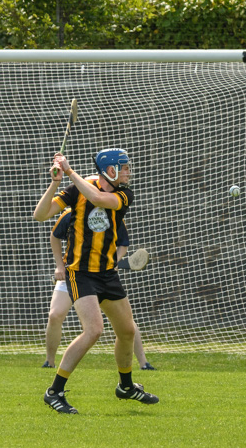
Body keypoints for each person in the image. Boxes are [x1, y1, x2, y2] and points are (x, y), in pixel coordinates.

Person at [33, 148, 159, 414]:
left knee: (127, 331)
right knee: (94, 330)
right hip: (81, 273)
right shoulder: (77, 187)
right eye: (123, 167)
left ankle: (125, 386)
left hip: (107, 273)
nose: (127, 171)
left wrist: (68, 171)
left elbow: (99, 199)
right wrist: (56, 181)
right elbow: (41, 215)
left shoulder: (123, 194)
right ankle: (53, 391)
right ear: (110, 170)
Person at [43, 207, 155, 371]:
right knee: (54, 315)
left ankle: (144, 363)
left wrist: (114, 261)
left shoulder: (113, 213)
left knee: (125, 323)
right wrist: (60, 266)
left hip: (102, 278)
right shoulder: (71, 213)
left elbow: (123, 244)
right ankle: (49, 362)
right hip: (74, 275)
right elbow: (54, 237)